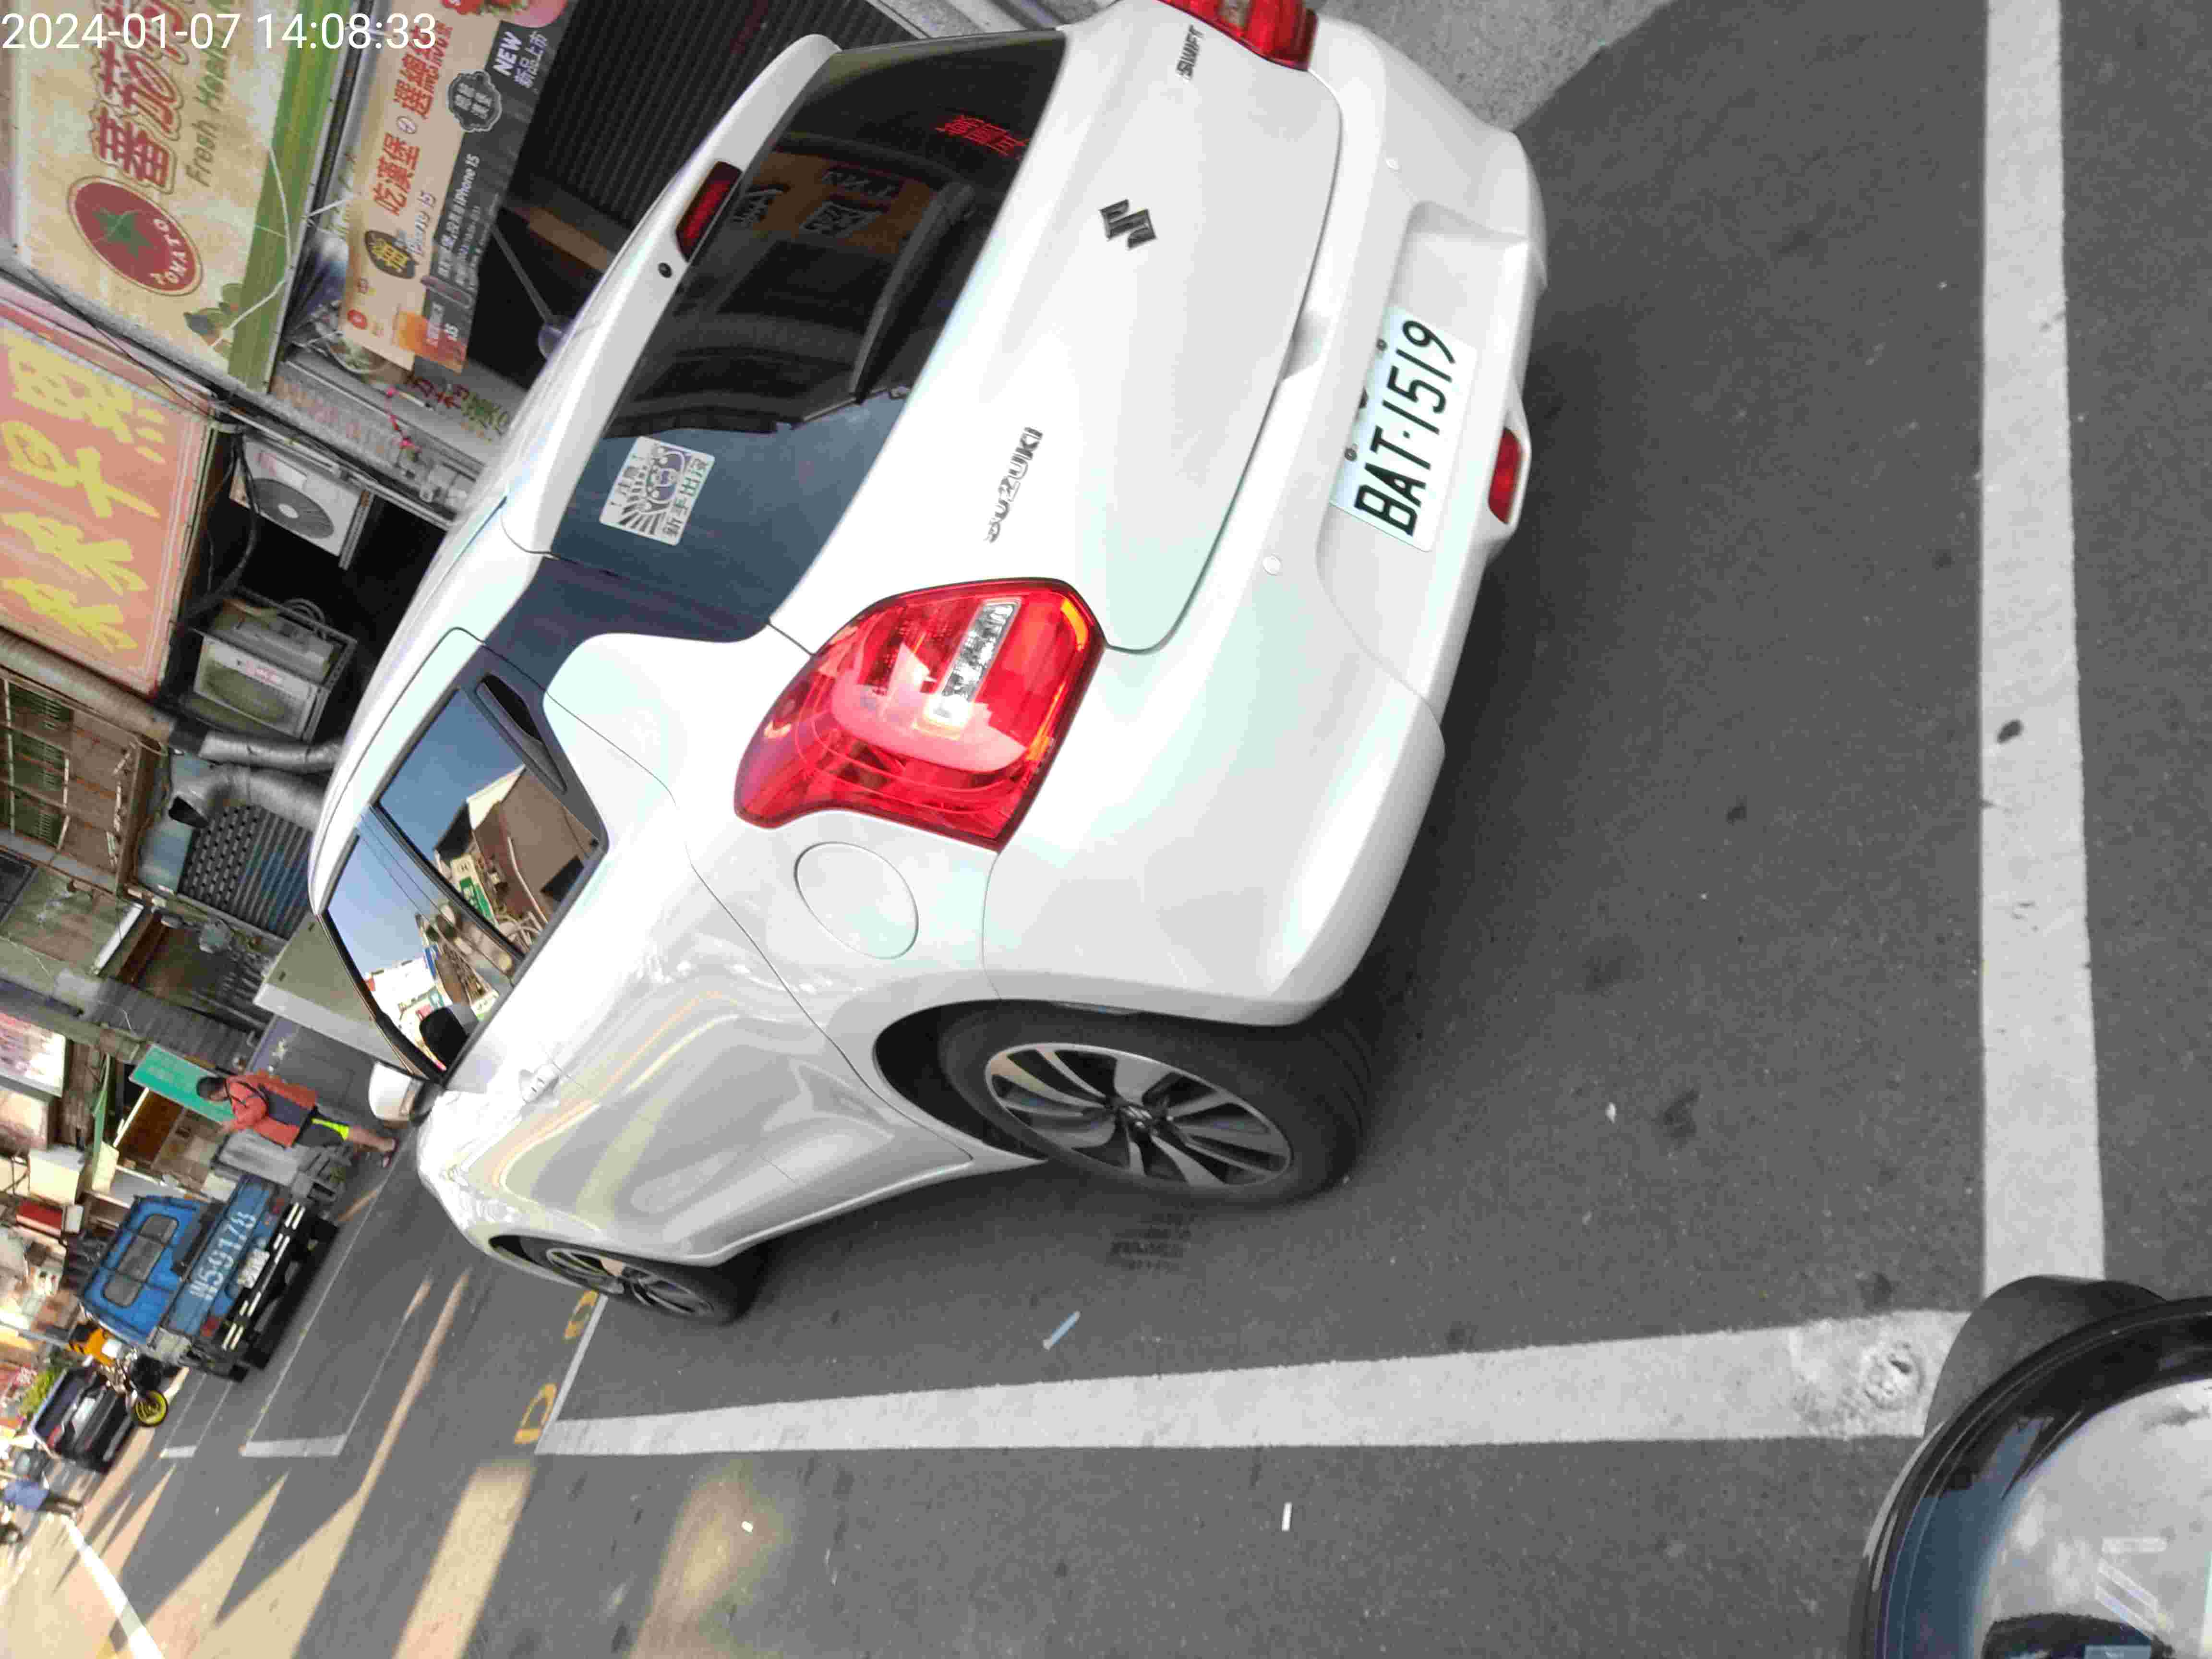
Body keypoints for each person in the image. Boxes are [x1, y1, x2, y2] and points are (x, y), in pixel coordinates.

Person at [194, 1070, 400, 1166]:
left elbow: (259, 1107)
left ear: (214, 1095)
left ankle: (386, 1144)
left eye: (210, 1100)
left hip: (298, 1120)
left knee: (343, 1132)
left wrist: (234, 1124)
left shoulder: (237, 1089)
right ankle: (381, 1145)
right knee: (340, 1134)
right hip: (295, 1124)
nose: (212, 1103)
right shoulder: (237, 1086)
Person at [1, 1477, 82, 1516]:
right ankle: (78, 1506)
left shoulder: (5, 1497)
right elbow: (30, 1482)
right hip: (40, 1494)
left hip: (34, 1504)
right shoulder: (15, 1483)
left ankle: (72, 1513)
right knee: (60, 1499)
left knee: (55, 1508)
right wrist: (37, 1487)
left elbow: (11, 1507)